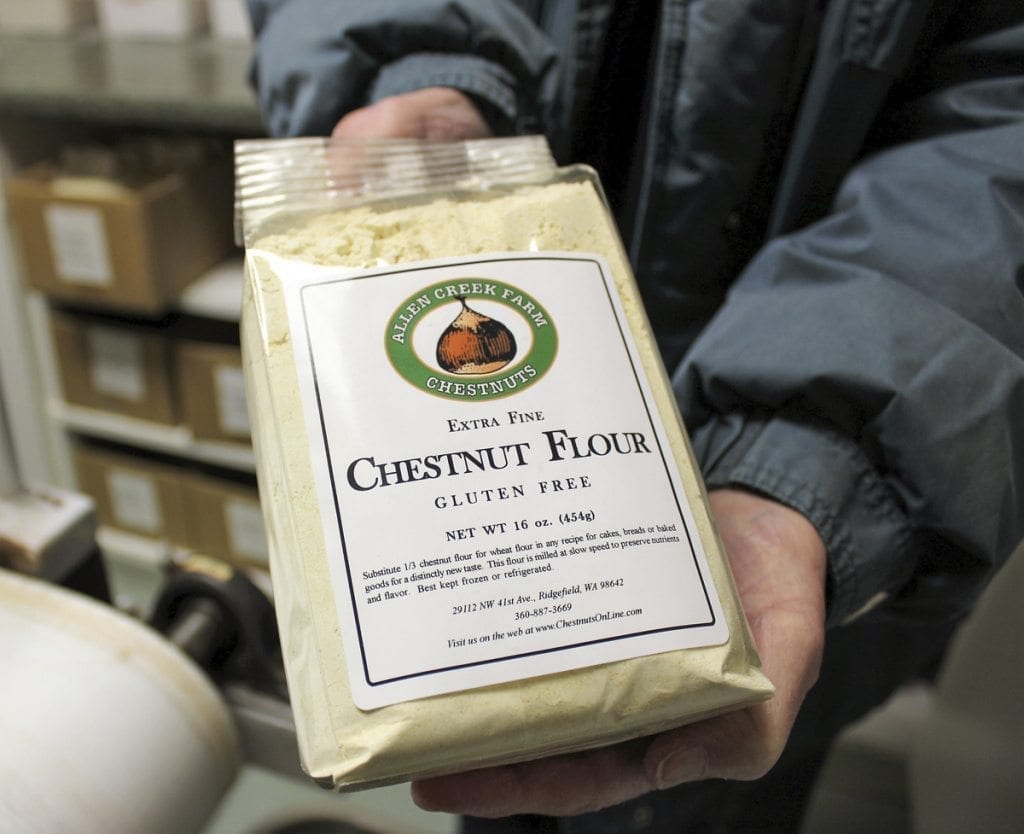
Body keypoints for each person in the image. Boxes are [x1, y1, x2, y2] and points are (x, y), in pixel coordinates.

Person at [245, 1, 1024, 830]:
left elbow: (999, 108)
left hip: (805, 527)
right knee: (496, 778)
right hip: (466, 599)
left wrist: (811, 461)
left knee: (731, 794)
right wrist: (421, 71)